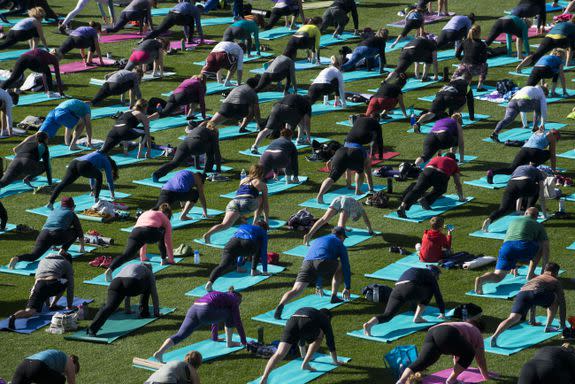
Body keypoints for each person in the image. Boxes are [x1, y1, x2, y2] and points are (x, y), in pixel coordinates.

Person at [153, 288, 247, 363]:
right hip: (206, 311)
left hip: (194, 309)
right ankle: (229, 343)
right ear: (238, 298)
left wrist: (214, 337)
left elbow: (215, 317)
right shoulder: (234, 300)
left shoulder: (220, 295)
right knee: (230, 314)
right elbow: (238, 322)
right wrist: (243, 341)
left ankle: (160, 352)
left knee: (180, 334)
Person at [274, 228, 351, 319]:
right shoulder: (339, 243)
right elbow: (346, 266)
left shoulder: (319, 239)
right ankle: (334, 295)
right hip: (322, 262)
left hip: (307, 263)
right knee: (340, 266)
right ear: (341, 236)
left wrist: (319, 285)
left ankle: (281, 305)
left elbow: (316, 263)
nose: (344, 240)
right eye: (344, 238)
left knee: (296, 290)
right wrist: (347, 287)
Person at [259, 308, 346, 383]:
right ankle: (305, 363)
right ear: (328, 317)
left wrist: (303, 354)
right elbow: (330, 342)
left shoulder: (311, 311)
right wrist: (335, 361)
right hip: (306, 322)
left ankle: (264, 377)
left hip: (291, 321)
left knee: (279, 353)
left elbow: (301, 335)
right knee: (320, 337)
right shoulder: (324, 319)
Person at [476, 207, 549, 294]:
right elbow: (546, 248)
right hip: (524, 247)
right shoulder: (538, 225)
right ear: (537, 217)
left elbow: (508, 240)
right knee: (540, 246)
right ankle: (530, 274)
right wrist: (544, 272)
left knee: (498, 276)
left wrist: (512, 264)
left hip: (506, 248)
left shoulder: (514, 221)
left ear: (525, 214)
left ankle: (482, 279)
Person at [491, 262, 565, 347]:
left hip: (522, 294)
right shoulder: (555, 281)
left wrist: (532, 320)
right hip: (538, 293)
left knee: (513, 318)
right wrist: (562, 324)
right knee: (555, 300)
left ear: (545, 270)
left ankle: (495, 336)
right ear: (555, 273)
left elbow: (532, 299)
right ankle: (548, 326)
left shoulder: (535, 279)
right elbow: (562, 303)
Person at [397, 321, 489, 384]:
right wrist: (486, 377)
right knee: (469, 353)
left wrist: (457, 366)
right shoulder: (477, 332)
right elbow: (480, 359)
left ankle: (400, 381)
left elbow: (457, 354)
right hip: (446, 333)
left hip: (431, 333)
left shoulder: (462, 326)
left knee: (421, 362)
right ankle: (451, 380)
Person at [363, 266, 446, 335]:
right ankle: (417, 317)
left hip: (396, 290)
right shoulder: (430, 275)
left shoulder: (413, 270)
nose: (437, 278)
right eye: (437, 276)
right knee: (431, 290)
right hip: (410, 288)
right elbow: (437, 294)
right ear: (434, 273)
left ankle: (369, 324)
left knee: (387, 315)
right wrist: (442, 312)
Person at [7, 197, 85, 269]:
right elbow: (79, 231)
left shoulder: (55, 210)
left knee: (34, 256)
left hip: (44, 234)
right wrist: (82, 247)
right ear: (72, 207)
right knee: (75, 231)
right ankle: (63, 250)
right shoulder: (71, 214)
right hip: (58, 235)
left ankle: (17, 258)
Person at [87, 262, 160, 336]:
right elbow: (154, 293)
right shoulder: (148, 272)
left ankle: (92, 329)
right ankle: (144, 312)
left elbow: (126, 287)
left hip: (115, 283)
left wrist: (127, 309)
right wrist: (156, 312)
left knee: (109, 307)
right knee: (148, 286)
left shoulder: (129, 266)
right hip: (131, 283)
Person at [202, 164, 269, 243]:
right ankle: (254, 224)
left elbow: (241, 193)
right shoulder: (261, 183)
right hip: (247, 203)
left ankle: (208, 234)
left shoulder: (243, 180)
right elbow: (266, 204)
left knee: (224, 225)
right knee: (261, 198)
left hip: (233, 203)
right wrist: (266, 220)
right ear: (261, 174)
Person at [105, 204, 174, 280]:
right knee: (162, 234)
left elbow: (143, 236)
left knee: (126, 255)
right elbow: (167, 241)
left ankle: (110, 269)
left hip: (135, 232)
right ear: (167, 214)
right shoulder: (165, 218)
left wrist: (143, 257)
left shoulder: (146, 213)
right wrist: (171, 260)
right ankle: (163, 260)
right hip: (151, 232)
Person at [7, 252, 75, 329]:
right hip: (53, 283)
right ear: (68, 260)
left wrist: (33, 293)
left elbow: (37, 282)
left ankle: (13, 317)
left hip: (39, 285)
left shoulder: (43, 261)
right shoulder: (66, 263)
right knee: (65, 281)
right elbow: (70, 287)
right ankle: (53, 305)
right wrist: (69, 306)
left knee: (29, 312)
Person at [205, 221, 269, 291]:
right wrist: (265, 270)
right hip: (248, 244)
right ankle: (253, 270)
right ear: (264, 228)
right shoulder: (263, 231)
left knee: (223, 265)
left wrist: (239, 265)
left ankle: (210, 283)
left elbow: (240, 244)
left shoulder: (244, 226)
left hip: (232, 243)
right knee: (259, 248)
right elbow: (263, 251)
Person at [397, 153, 465, 218]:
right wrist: (461, 198)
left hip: (426, 172)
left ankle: (402, 206)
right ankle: (426, 200)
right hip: (440, 175)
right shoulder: (454, 163)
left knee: (417, 190)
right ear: (453, 159)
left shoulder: (437, 158)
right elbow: (457, 183)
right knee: (441, 189)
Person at [47, 151, 118, 208]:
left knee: (63, 183)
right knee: (99, 176)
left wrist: (92, 189)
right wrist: (112, 194)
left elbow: (91, 175)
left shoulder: (97, 154)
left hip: (74, 162)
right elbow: (109, 180)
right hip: (83, 165)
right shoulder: (107, 161)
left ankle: (50, 202)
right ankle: (97, 200)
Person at [484, 165, 549, 227]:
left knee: (503, 208)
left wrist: (518, 210)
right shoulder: (539, 173)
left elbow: (519, 193)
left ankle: (490, 219)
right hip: (525, 183)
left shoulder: (519, 168)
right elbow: (541, 197)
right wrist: (545, 215)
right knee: (537, 190)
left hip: (511, 185)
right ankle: (528, 213)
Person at [152, 123, 221, 180]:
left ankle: (157, 174)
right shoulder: (213, 134)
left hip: (184, 145)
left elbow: (194, 146)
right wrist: (218, 169)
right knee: (211, 149)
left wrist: (197, 166)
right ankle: (207, 171)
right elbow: (217, 153)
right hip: (196, 145)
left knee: (174, 162)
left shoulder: (197, 129)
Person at [487, 128, 559, 179]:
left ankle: (492, 172)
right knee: (548, 153)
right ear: (555, 135)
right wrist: (553, 170)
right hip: (535, 152)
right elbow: (552, 154)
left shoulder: (539, 131)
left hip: (524, 150)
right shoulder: (552, 136)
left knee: (511, 169)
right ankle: (531, 170)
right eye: (557, 139)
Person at [304, 195, 374, 245]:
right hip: (346, 201)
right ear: (357, 215)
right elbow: (366, 220)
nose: (353, 219)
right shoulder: (361, 210)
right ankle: (339, 245)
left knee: (323, 219)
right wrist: (370, 230)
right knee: (340, 226)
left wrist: (345, 228)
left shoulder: (355, 206)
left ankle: (309, 235)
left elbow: (344, 218)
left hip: (338, 198)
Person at [0, 48, 64, 96]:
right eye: (59, 59)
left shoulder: (45, 54)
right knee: (47, 70)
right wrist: (61, 92)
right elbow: (57, 76)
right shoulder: (54, 59)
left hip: (22, 58)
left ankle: (1, 90)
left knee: (13, 78)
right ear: (57, 56)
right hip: (32, 60)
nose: (58, 61)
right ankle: (50, 92)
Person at [11, 350, 79, 384]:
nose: (67, 374)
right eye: (73, 371)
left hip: (23, 365)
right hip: (38, 366)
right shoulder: (70, 362)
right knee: (61, 380)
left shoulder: (57, 359)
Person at [453, 25, 488, 90]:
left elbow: (457, 55)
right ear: (479, 33)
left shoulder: (464, 41)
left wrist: (463, 61)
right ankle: (480, 86)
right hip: (474, 67)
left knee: (456, 78)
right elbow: (484, 59)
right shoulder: (482, 44)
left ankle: (457, 87)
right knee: (485, 65)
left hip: (463, 66)